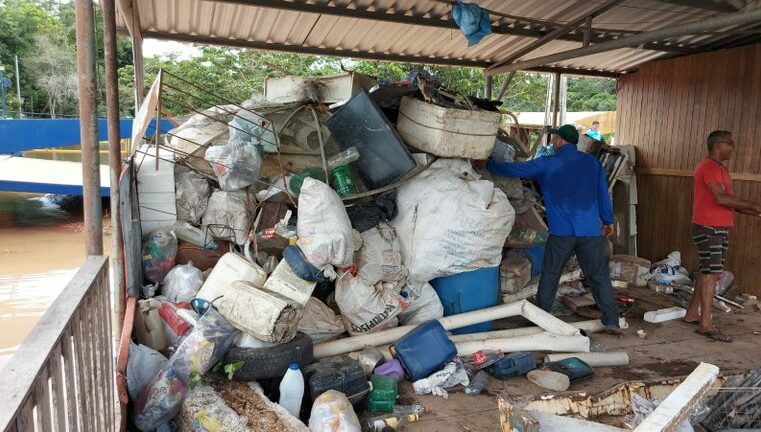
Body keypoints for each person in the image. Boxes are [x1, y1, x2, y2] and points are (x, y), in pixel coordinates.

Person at [487, 124, 621, 334]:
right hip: (590, 231)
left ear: (559, 141)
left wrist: (488, 165)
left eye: (555, 138)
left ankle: (541, 319)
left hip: (562, 232)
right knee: (598, 275)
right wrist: (608, 219)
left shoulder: (548, 163)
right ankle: (612, 320)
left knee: (550, 274)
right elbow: (603, 194)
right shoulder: (592, 163)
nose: (553, 141)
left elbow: (516, 170)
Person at [684, 130, 761, 343]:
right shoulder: (708, 167)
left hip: (718, 227)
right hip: (708, 227)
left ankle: (692, 314)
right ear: (718, 145)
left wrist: (755, 211)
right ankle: (705, 324)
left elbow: (730, 201)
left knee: (706, 271)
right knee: (712, 274)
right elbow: (721, 198)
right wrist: (753, 205)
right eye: (730, 144)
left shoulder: (721, 169)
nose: (733, 148)